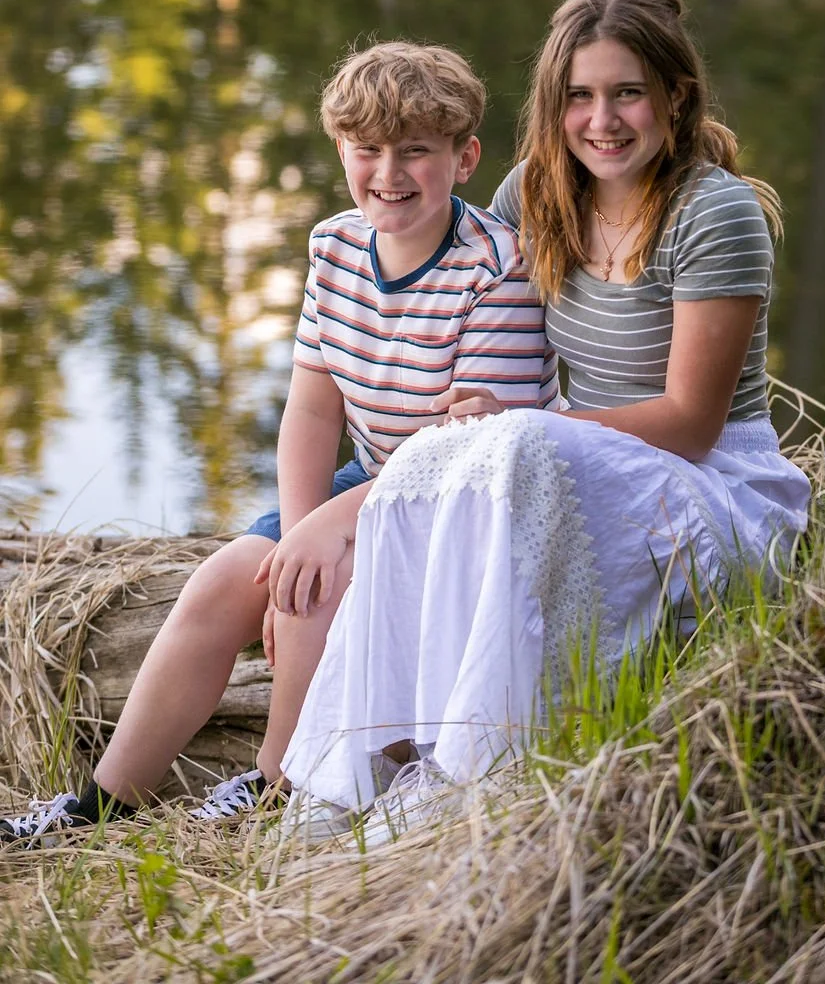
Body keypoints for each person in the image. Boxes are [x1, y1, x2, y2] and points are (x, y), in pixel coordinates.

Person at [280, 0, 811, 842]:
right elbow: (461, 307)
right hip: (580, 455)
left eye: (627, 94)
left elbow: (690, 422)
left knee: (501, 448)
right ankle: (348, 764)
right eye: (580, 97)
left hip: (709, 482)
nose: (601, 121)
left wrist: (516, 426)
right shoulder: (535, 191)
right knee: (450, 453)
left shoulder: (713, 214)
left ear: (675, 97)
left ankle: (464, 765)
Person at [0, 42, 557, 846]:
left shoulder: (496, 270)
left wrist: (324, 544)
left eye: (416, 151)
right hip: (365, 476)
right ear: (340, 150)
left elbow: (462, 452)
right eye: (366, 149)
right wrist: (302, 529)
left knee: (307, 597)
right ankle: (101, 805)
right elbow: (312, 411)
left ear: (465, 158)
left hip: (454, 501)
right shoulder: (335, 249)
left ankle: (276, 783)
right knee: (223, 582)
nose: (388, 172)